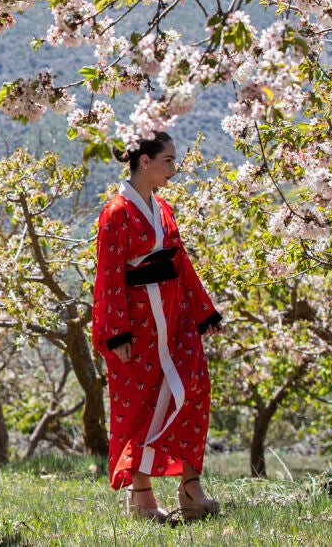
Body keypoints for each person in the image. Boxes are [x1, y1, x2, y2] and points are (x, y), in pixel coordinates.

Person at [92, 131, 223, 523]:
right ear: (144, 161)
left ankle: (190, 489)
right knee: (142, 406)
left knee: (195, 387)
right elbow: (108, 275)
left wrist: (204, 311)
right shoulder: (115, 212)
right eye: (167, 159)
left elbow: (180, 261)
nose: (174, 167)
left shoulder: (163, 208)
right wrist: (117, 333)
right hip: (138, 324)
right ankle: (142, 494)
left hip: (176, 316)